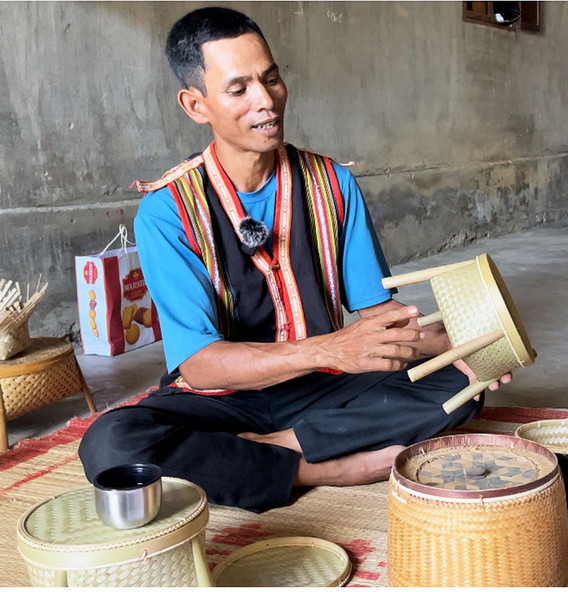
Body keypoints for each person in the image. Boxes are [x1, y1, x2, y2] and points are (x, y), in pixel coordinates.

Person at [78, 6, 510, 512]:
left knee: (460, 383)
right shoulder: (167, 211)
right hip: (222, 398)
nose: (266, 101)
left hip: (322, 390)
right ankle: (322, 464)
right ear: (196, 105)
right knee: (112, 442)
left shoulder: (333, 185)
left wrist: (454, 344)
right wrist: (329, 349)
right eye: (239, 90)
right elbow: (200, 367)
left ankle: (268, 452)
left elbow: (378, 319)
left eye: (272, 79)